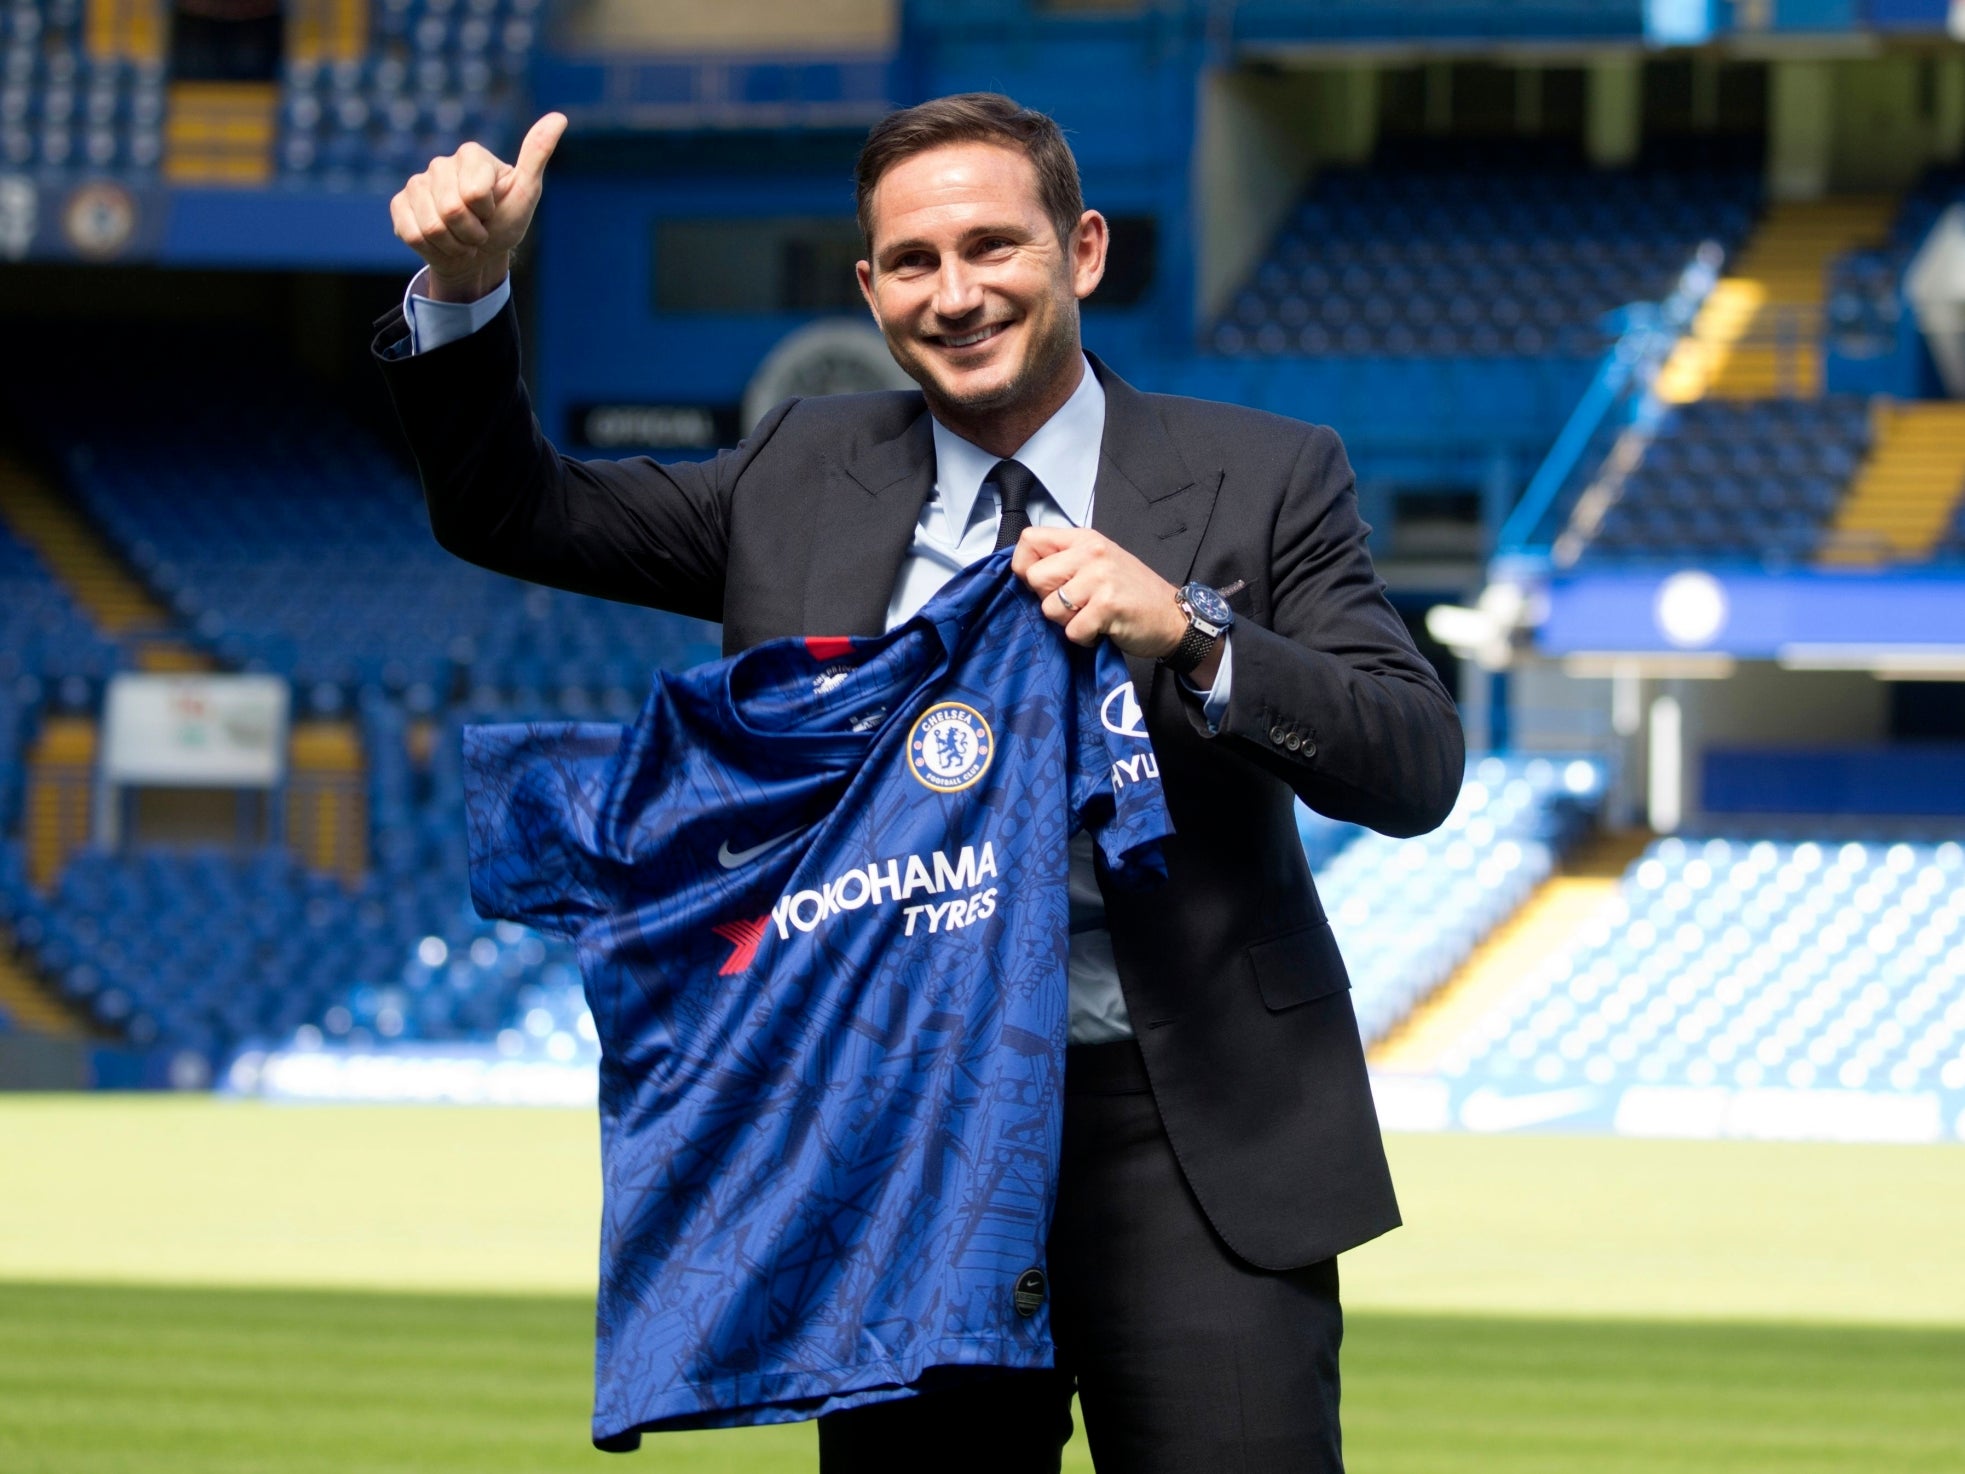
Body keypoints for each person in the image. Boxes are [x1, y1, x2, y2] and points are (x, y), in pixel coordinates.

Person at [375, 92, 1464, 1474]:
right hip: (903, 1145)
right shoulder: (799, 470)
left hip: (1190, 1135)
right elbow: (508, 508)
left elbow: (1412, 760)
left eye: (992, 248)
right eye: (912, 261)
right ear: (868, 286)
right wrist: (469, 291)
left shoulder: (1262, 476)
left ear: (1081, 250)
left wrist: (1186, 629)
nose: (954, 294)